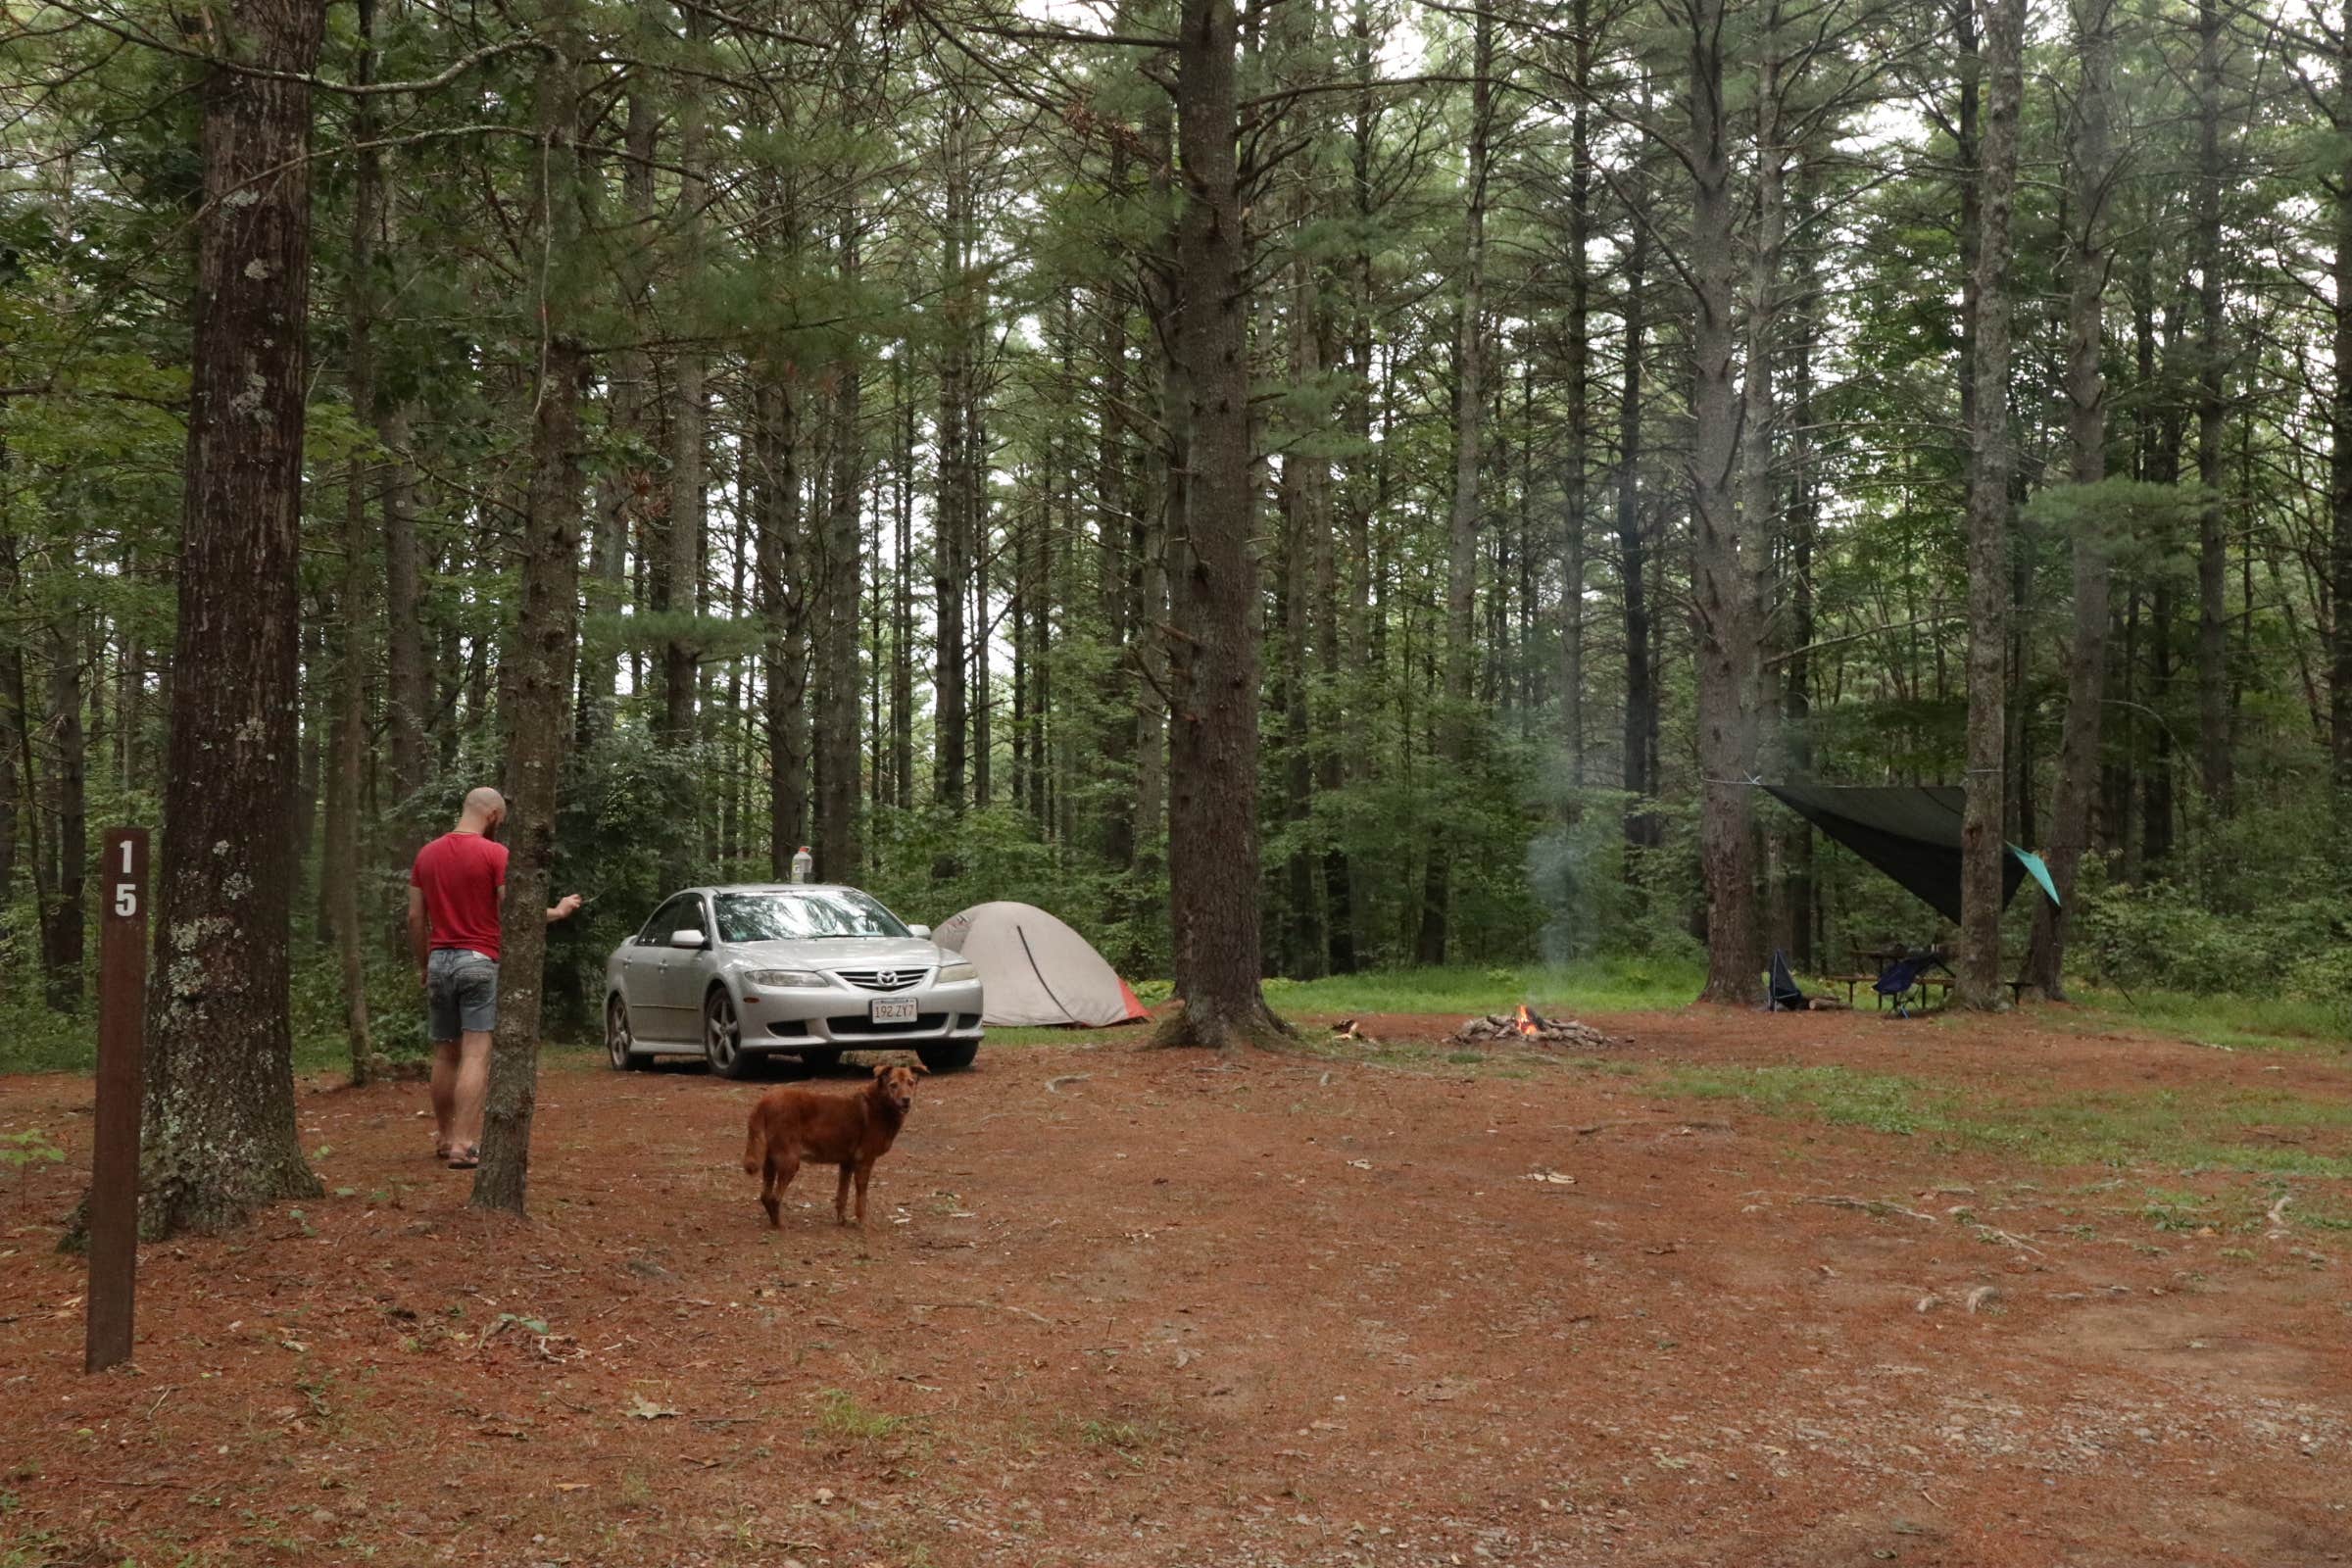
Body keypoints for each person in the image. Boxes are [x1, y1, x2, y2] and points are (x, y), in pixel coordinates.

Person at [407, 787, 582, 1169]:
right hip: (479, 960)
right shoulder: (494, 854)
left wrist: (425, 963)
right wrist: (559, 911)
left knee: (444, 1053)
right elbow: (514, 909)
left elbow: (415, 918)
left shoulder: (427, 855)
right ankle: (465, 1145)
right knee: (474, 1054)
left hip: (439, 960)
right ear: (492, 815)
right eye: (500, 819)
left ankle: (444, 1136)